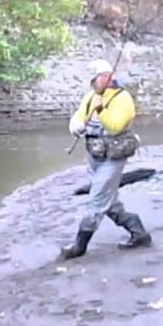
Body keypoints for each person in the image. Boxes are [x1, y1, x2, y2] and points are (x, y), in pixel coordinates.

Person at [60, 59, 152, 261]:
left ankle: (80, 244)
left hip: (115, 155)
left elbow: (115, 127)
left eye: (95, 79)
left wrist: (101, 111)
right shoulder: (91, 96)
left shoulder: (123, 98)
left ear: (105, 77)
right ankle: (138, 231)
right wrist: (76, 126)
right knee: (107, 200)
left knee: (98, 197)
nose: (92, 83)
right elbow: (78, 116)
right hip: (94, 154)